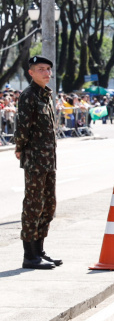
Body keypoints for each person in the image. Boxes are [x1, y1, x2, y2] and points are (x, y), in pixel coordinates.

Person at [14, 56, 61, 269]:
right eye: (41, 69)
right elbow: (22, 127)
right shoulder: (28, 96)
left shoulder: (45, 95)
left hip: (49, 160)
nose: (46, 73)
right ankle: (30, 255)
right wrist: (19, 147)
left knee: (48, 205)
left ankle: (40, 250)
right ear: (31, 72)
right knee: (33, 205)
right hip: (35, 160)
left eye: (48, 69)